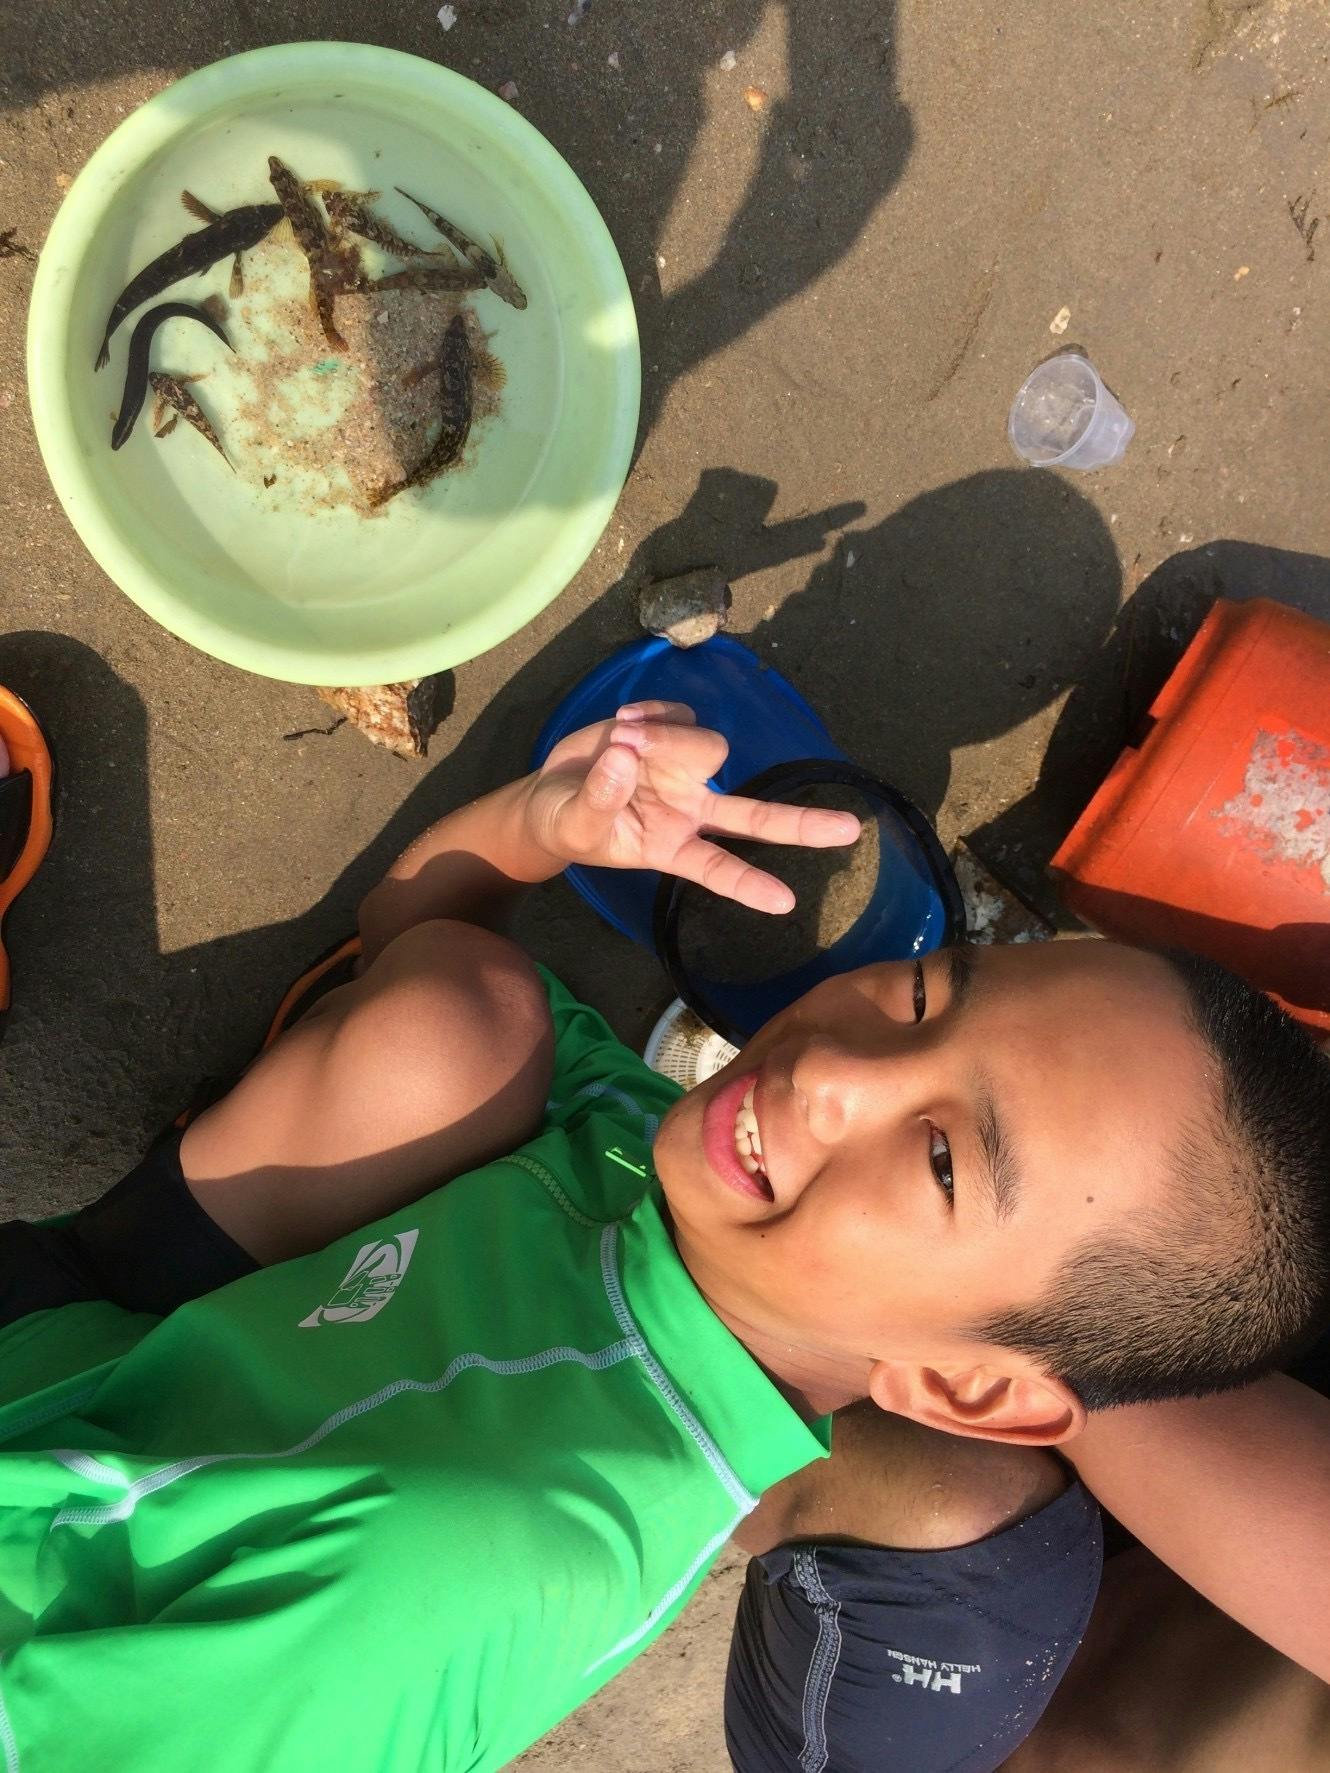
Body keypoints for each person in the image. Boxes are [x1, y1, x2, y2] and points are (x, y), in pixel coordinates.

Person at [1, 698, 1327, 1772]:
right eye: (927, 994)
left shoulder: (469, 1567)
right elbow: (410, 939)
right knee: (463, 1010)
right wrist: (534, 829)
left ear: (969, 1390)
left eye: (940, 1158)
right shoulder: (663, 1155)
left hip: (65, 1498)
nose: (838, 1071)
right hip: (109, 1369)